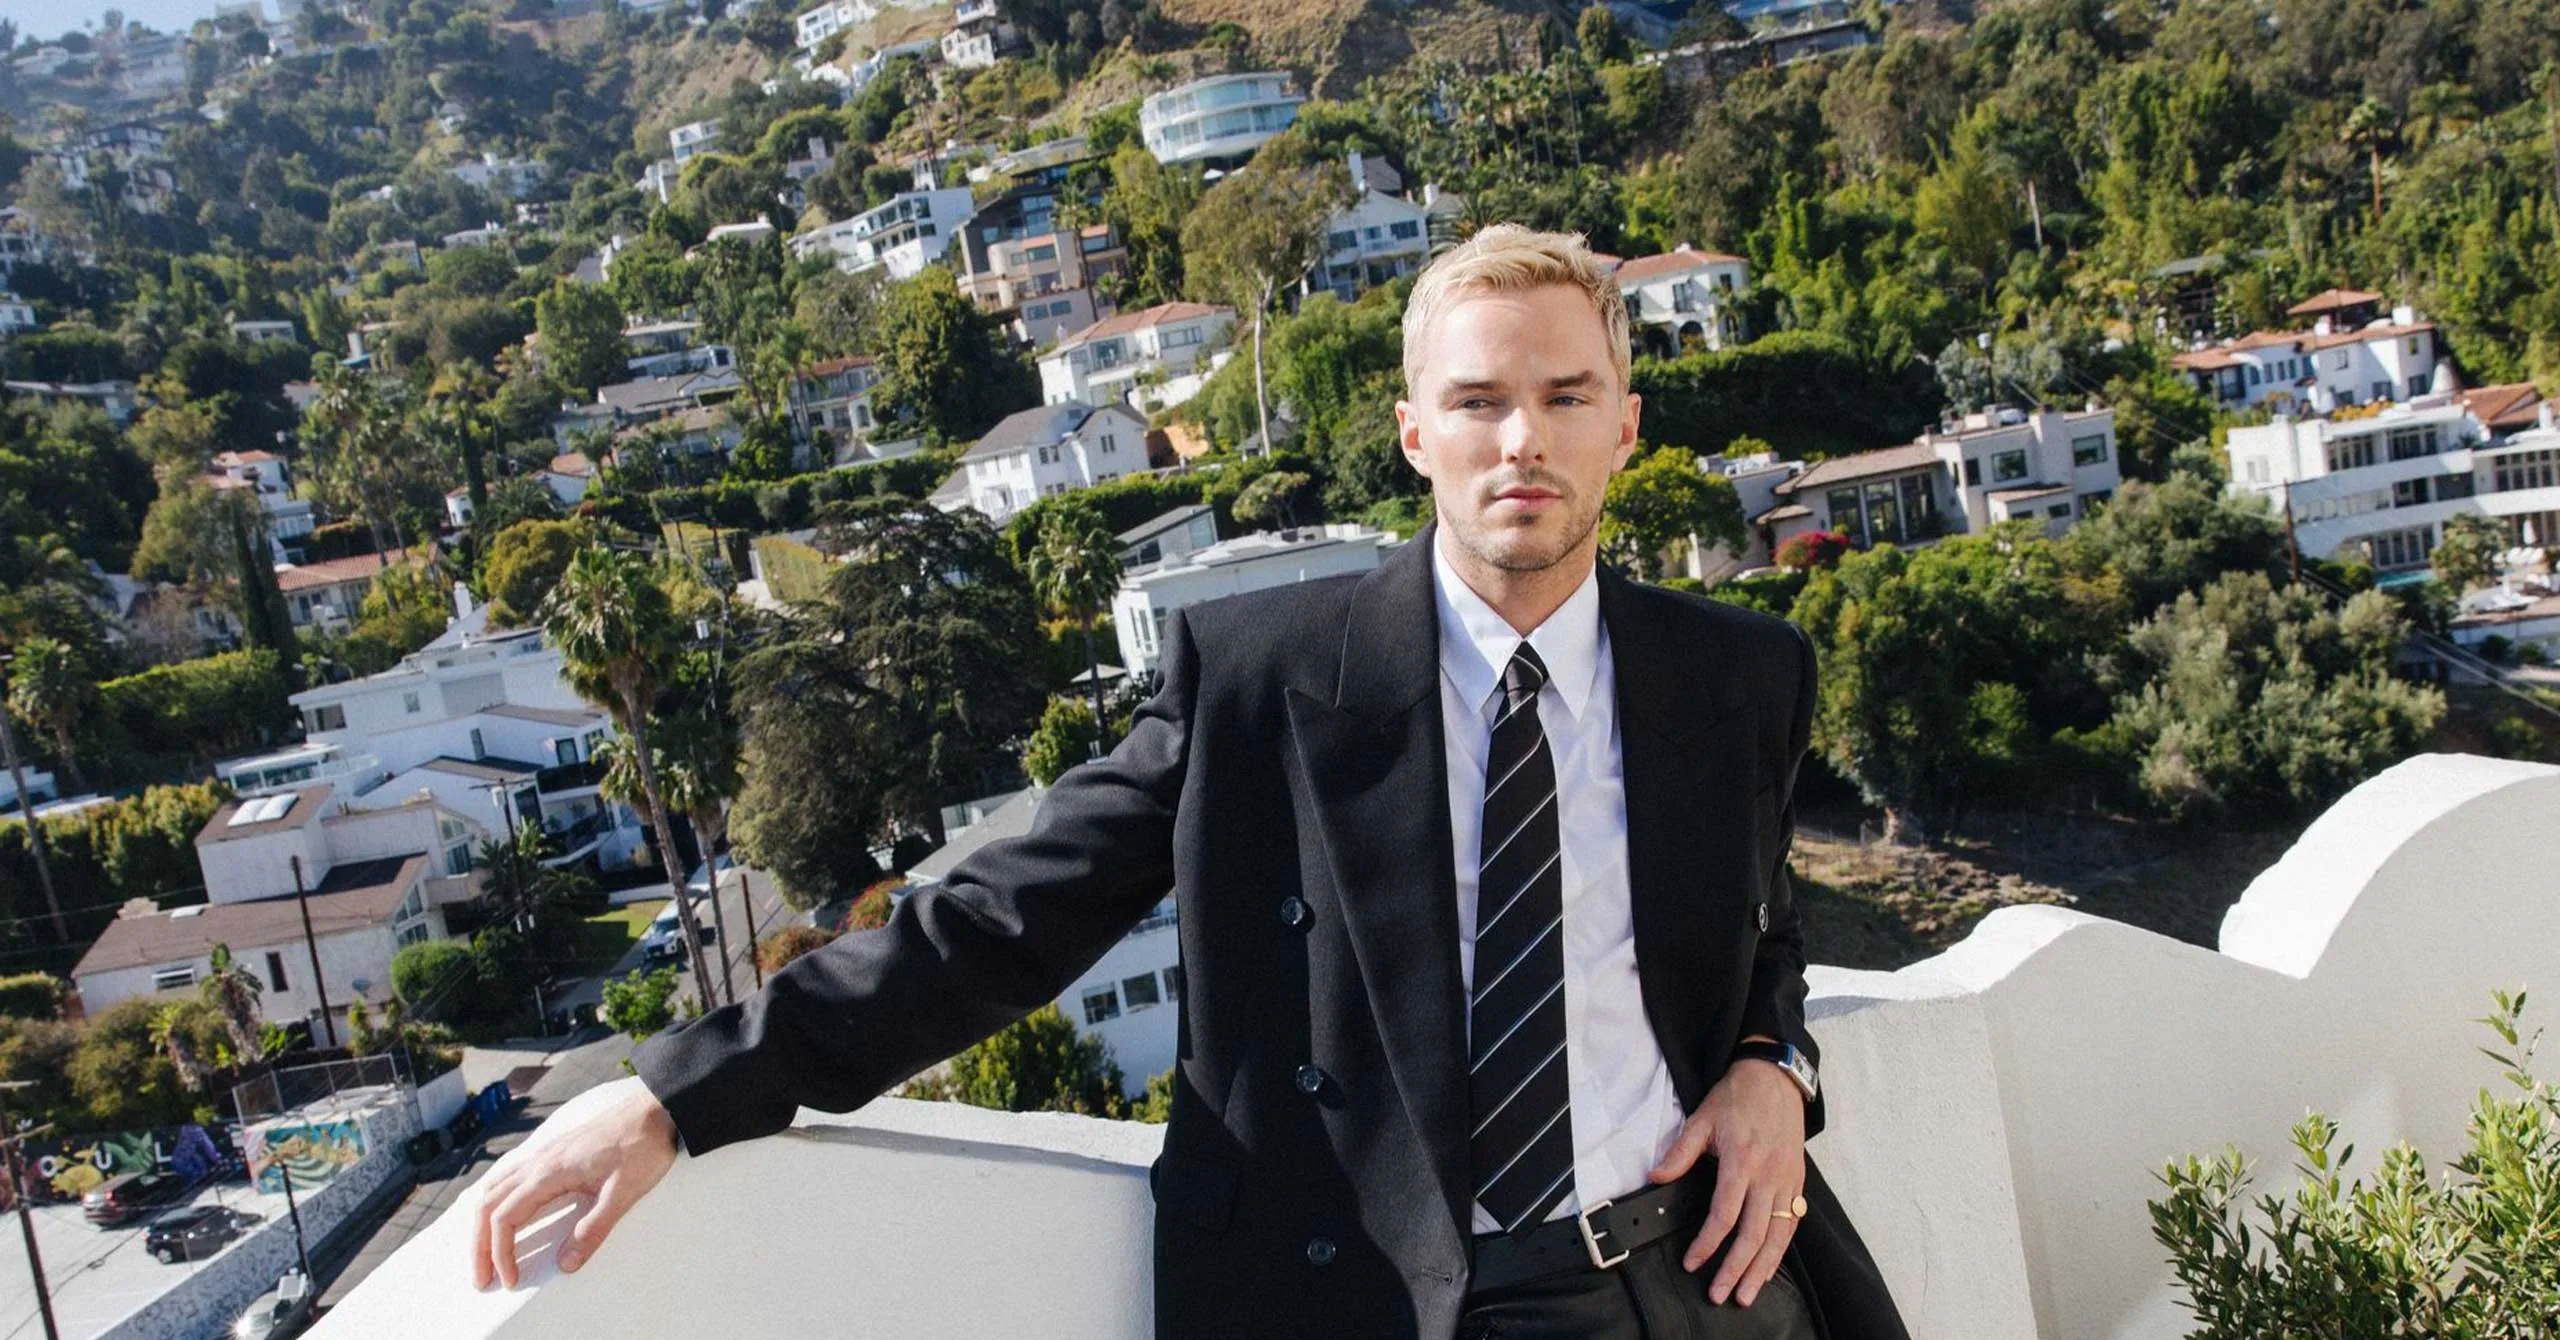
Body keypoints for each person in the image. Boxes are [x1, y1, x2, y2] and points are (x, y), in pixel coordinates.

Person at [470, 224, 1910, 1339]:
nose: (1521, 439)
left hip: (1706, 1278)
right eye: (1477, 400)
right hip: (1419, 1301)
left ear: (1626, 425)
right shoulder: (1263, 683)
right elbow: (999, 920)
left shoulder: (1736, 677)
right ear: (1415, 434)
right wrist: (675, 1093)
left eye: (1563, 395)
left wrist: (1772, 1064)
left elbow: (1757, 922)